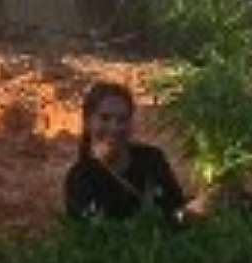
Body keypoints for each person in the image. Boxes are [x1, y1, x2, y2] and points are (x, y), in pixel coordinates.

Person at [64, 82, 190, 223]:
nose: (114, 127)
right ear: (88, 122)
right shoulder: (80, 178)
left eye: (122, 119)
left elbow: (177, 215)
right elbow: (88, 235)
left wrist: (192, 212)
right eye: (105, 118)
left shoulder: (152, 159)